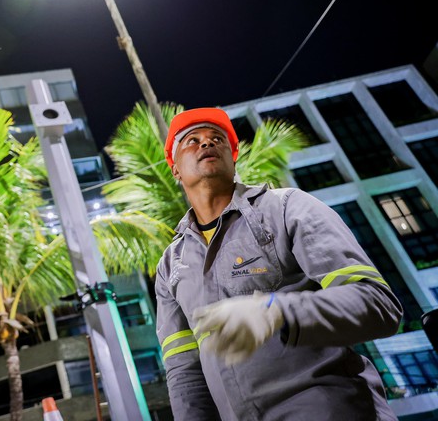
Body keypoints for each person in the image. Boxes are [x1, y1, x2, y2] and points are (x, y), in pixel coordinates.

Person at [154, 107, 403, 421]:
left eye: (217, 138)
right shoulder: (170, 267)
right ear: (175, 169)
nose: (207, 144)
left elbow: (377, 304)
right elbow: (184, 370)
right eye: (192, 140)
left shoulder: (287, 208)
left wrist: (276, 312)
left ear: (233, 156)